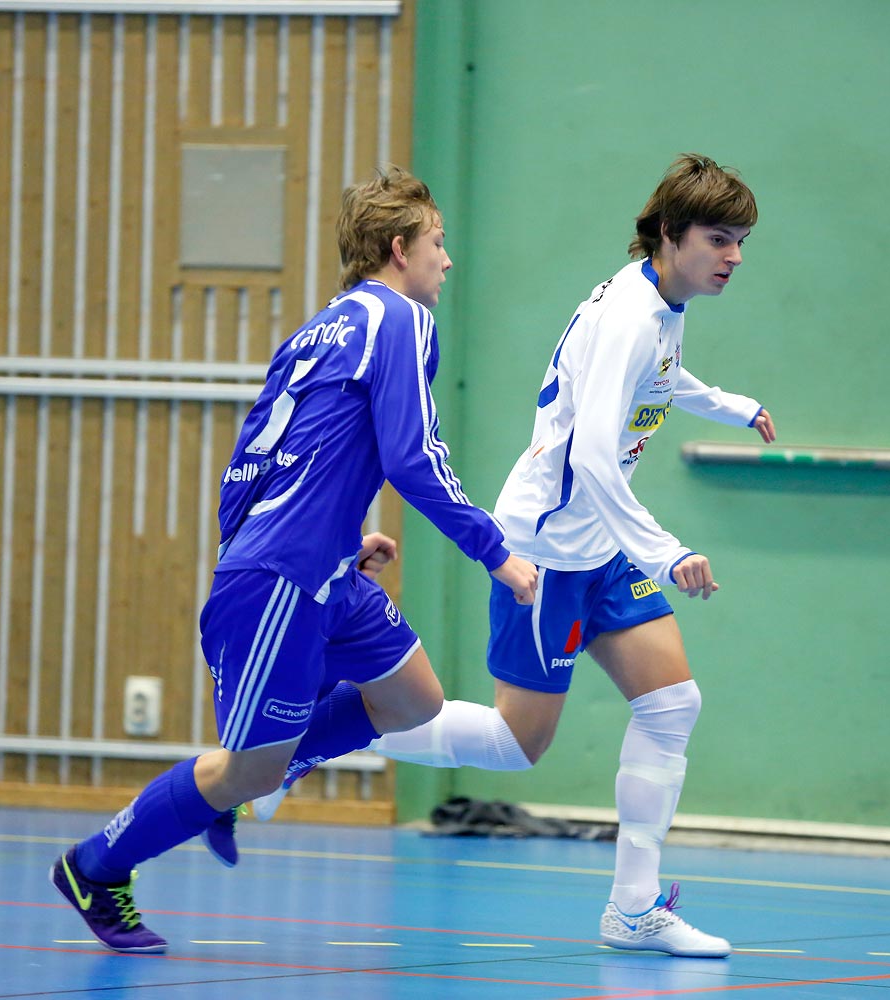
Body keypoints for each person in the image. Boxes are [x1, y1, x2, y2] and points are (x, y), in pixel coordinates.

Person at [252, 153, 775, 958]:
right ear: (670, 236)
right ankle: (307, 742)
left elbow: (659, 377)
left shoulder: (658, 300)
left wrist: (731, 406)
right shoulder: (629, 315)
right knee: (514, 744)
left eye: (740, 240)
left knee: (673, 706)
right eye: (718, 239)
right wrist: (669, 555)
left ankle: (634, 910)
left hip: (599, 547)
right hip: (547, 553)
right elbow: (597, 459)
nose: (734, 256)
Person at [49, 166, 539, 954]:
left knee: (413, 700)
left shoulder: (321, 328)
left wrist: (337, 543)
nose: (448, 262)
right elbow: (415, 458)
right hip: (283, 581)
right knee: (241, 769)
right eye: (439, 244)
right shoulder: (401, 319)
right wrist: (498, 554)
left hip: (313, 571)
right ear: (399, 247)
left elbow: (254, 459)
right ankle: (96, 866)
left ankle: (260, 780)